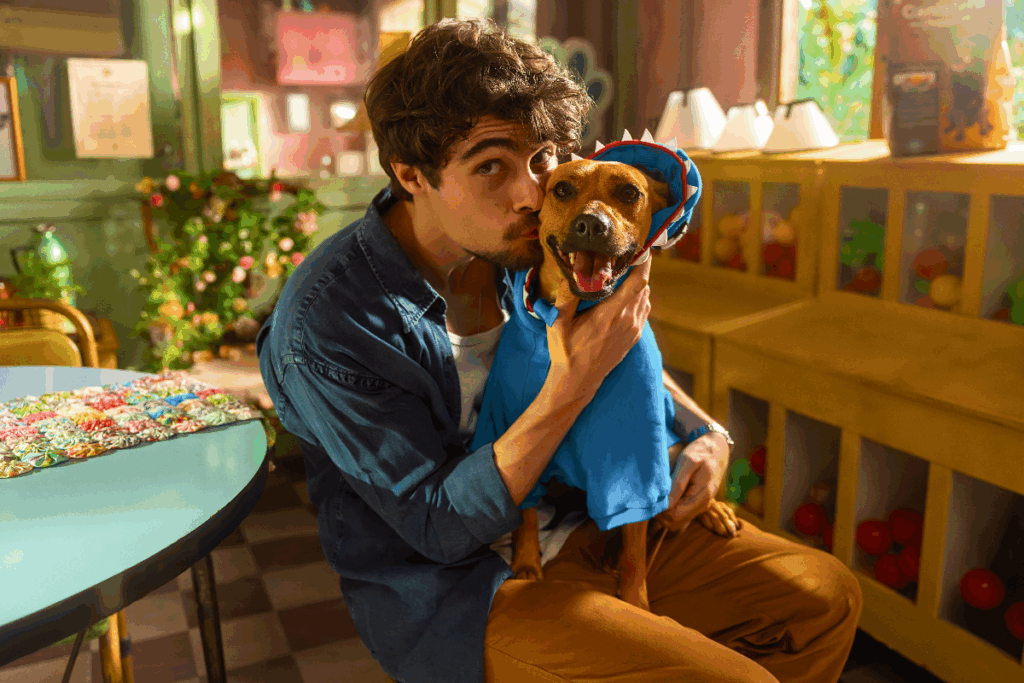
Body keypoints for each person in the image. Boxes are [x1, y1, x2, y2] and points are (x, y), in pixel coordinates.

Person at [256, 18, 863, 683]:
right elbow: (434, 527)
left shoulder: (533, 245)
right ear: (411, 174)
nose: (532, 192)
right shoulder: (330, 321)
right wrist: (571, 384)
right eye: (491, 166)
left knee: (822, 597)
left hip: (591, 513)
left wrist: (704, 431)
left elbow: (620, 359)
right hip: (463, 585)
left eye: (544, 157)